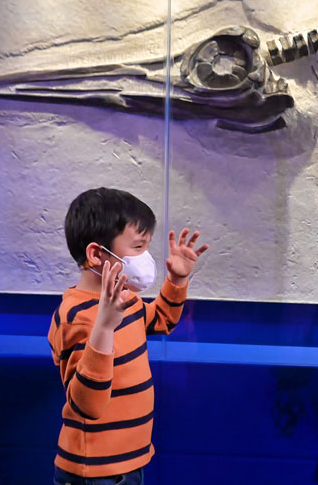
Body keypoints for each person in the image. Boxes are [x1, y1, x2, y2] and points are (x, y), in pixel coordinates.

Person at [49, 187, 208, 484]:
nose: (145, 258)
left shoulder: (127, 299)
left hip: (130, 462)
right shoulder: (75, 315)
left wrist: (177, 279)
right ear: (97, 254)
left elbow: (161, 320)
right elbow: (87, 404)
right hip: (93, 472)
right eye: (137, 248)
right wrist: (104, 328)